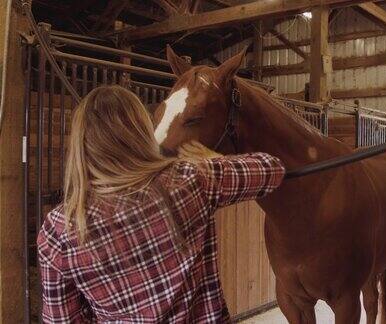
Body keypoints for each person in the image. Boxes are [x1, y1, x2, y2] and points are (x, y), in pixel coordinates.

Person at [37, 86, 285, 323]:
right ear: (142, 131)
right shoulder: (191, 179)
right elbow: (273, 168)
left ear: (81, 144)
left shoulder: (58, 231)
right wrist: (214, 160)